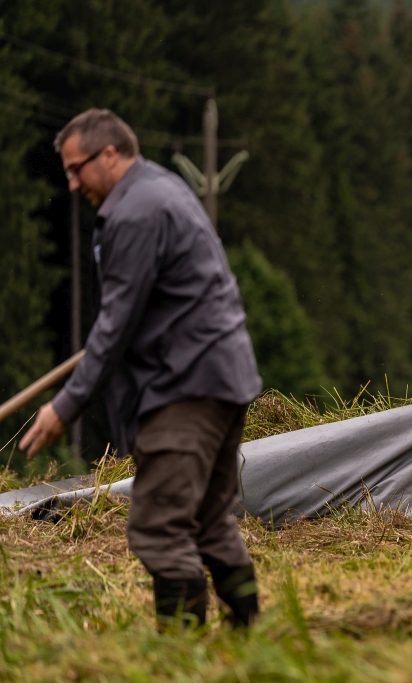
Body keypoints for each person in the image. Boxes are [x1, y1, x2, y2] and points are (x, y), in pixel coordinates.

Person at [18, 109, 264, 629]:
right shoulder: (160, 190)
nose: (70, 183)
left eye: (75, 168)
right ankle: (249, 631)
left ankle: (180, 649)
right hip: (221, 376)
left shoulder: (137, 211)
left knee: (158, 526)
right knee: (208, 520)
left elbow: (114, 325)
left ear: (109, 155)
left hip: (186, 387)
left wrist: (65, 406)